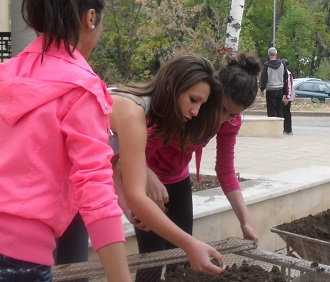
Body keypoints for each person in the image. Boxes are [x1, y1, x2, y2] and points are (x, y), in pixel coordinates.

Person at [0, 0, 132, 282]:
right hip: (16, 260)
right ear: (90, 18)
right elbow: (96, 190)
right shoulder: (81, 88)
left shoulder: (6, 76)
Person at [137, 52, 261, 281]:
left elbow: (225, 170)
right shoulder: (183, 110)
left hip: (178, 181)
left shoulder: (229, 122)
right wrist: (147, 175)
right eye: (222, 109)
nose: (224, 118)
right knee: (152, 260)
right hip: (146, 183)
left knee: (183, 260)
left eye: (232, 114)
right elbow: (131, 157)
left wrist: (245, 221)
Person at [108, 55, 227, 277]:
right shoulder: (134, 113)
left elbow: (109, 162)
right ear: (173, 87)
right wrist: (190, 244)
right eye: (193, 99)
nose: (196, 112)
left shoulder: (143, 112)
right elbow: (137, 195)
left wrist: (125, 207)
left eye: (201, 104)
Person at [259, 47, 288, 118]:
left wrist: (262, 89)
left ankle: (272, 127)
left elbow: (264, 78)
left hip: (270, 90)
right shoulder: (282, 64)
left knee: (271, 110)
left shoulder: (266, 65)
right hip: (280, 90)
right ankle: (279, 127)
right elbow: (286, 77)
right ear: (276, 54)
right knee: (279, 110)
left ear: (268, 55)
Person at [282, 59, 293, 135]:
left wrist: (287, 97)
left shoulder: (288, 74)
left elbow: (289, 86)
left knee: (286, 113)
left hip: (286, 96)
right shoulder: (283, 73)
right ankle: (285, 128)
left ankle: (288, 129)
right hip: (285, 96)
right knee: (283, 112)